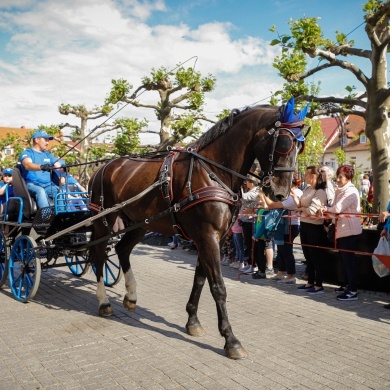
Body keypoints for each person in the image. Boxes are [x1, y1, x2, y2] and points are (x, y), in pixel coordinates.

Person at [321, 165, 362, 301]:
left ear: (348, 178)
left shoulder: (351, 191)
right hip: (342, 229)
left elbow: (338, 208)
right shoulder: (341, 189)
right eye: (337, 176)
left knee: (349, 261)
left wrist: (325, 208)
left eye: (340, 177)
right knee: (344, 260)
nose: (337, 180)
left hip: (349, 230)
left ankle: (353, 290)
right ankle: (347, 285)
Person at [260, 172, 303, 284]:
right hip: (285, 225)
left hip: (291, 225)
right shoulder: (288, 193)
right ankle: (281, 272)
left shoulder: (295, 193)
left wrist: (263, 195)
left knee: (287, 250)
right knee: (281, 249)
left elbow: (272, 205)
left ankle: (291, 274)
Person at [296, 166, 328, 295]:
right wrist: (303, 207)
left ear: (313, 176)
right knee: (307, 256)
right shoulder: (308, 189)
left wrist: (303, 209)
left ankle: (319, 284)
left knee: (315, 256)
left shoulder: (320, 192)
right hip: (304, 224)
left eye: (307, 174)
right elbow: (300, 204)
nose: (304, 176)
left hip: (315, 227)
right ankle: (310, 281)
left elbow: (311, 211)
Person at [19, 129, 61, 208]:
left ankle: (65, 216)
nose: (47, 143)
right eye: (45, 140)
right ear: (37, 140)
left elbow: (58, 165)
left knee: (60, 192)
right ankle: (46, 218)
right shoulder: (27, 153)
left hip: (48, 185)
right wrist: (41, 167)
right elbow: (27, 165)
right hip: (31, 184)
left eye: (48, 140)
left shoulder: (48, 155)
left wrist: (63, 169)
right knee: (40, 191)